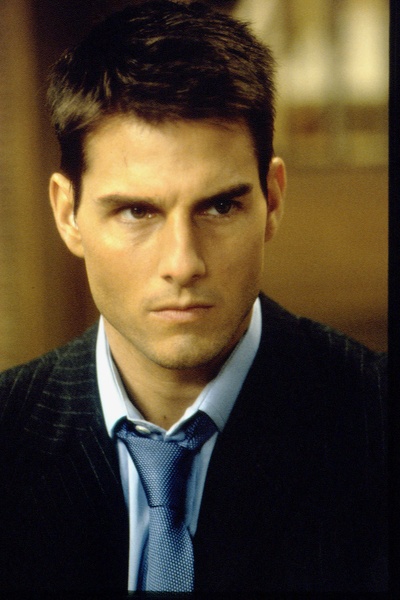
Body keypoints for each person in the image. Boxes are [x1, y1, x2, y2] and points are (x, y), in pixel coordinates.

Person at [0, 0, 387, 593]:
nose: (182, 264)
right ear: (67, 213)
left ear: (273, 200)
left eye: (220, 206)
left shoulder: (375, 424)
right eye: (137, 211)